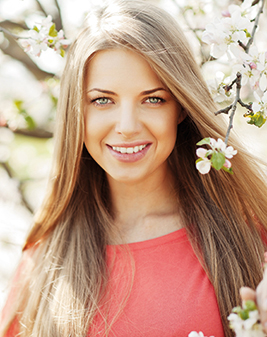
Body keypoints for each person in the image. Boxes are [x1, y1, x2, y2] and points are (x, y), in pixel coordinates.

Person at [1, 0, 267, 336]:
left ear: (181, 108)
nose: (126, 126)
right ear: (76, 112)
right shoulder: (45, 260)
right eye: (102, 100)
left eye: (153, 98)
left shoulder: (251, 237)